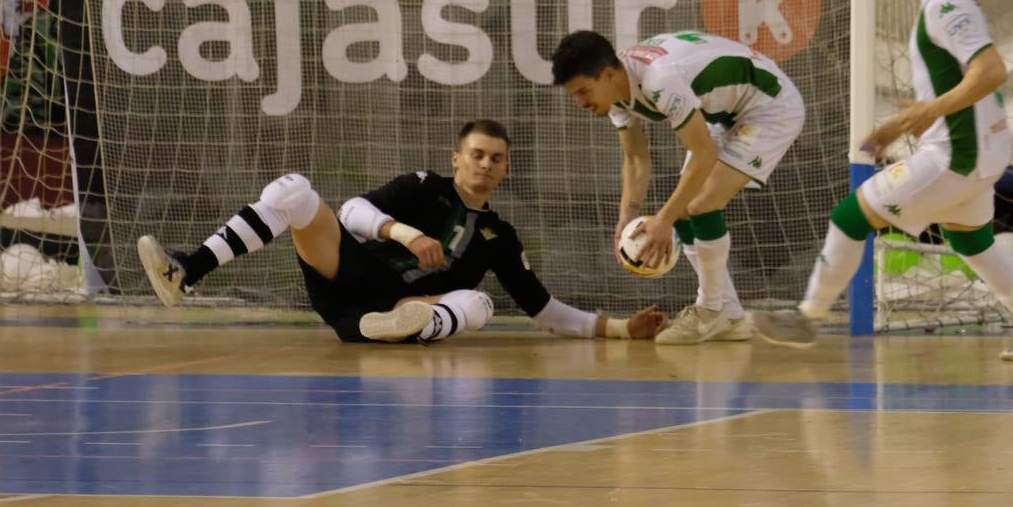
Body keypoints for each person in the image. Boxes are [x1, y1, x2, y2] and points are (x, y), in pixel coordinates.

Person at [753, 0, 1013, 362]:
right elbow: (957, 84)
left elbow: (991, 71)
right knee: (971, 241)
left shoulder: (945, 3)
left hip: (957, 154)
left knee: (849, 216)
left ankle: (808, 316)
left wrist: (930, 113)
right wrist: (903, 121)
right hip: (981, 149)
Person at [138, 120, 668, 344]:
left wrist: (621, 330)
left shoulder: (499, 237)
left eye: (497, 159)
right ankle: (188, 271)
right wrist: (405, 234)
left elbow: (542, 309)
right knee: (296, 190)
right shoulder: (421, 186)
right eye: (476, 155)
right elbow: (349, 213)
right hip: (346, 273)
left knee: (480, 305)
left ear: (505, 169)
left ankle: (407, 326)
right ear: (456, 158)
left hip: (377, 316)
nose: (485, 165)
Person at [550, 28, 806, 346]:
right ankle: (732, 318)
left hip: (770, 107)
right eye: (574, 95)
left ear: (605, 74)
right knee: (684, 206)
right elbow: (635, 158)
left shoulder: (660, 80)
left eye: (583, 91)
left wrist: (663, 219)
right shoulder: (615, 93)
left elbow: (703, 154)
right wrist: (626, 217)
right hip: (726, 114)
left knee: (699, 206)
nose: (580, 102)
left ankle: (710, 311)